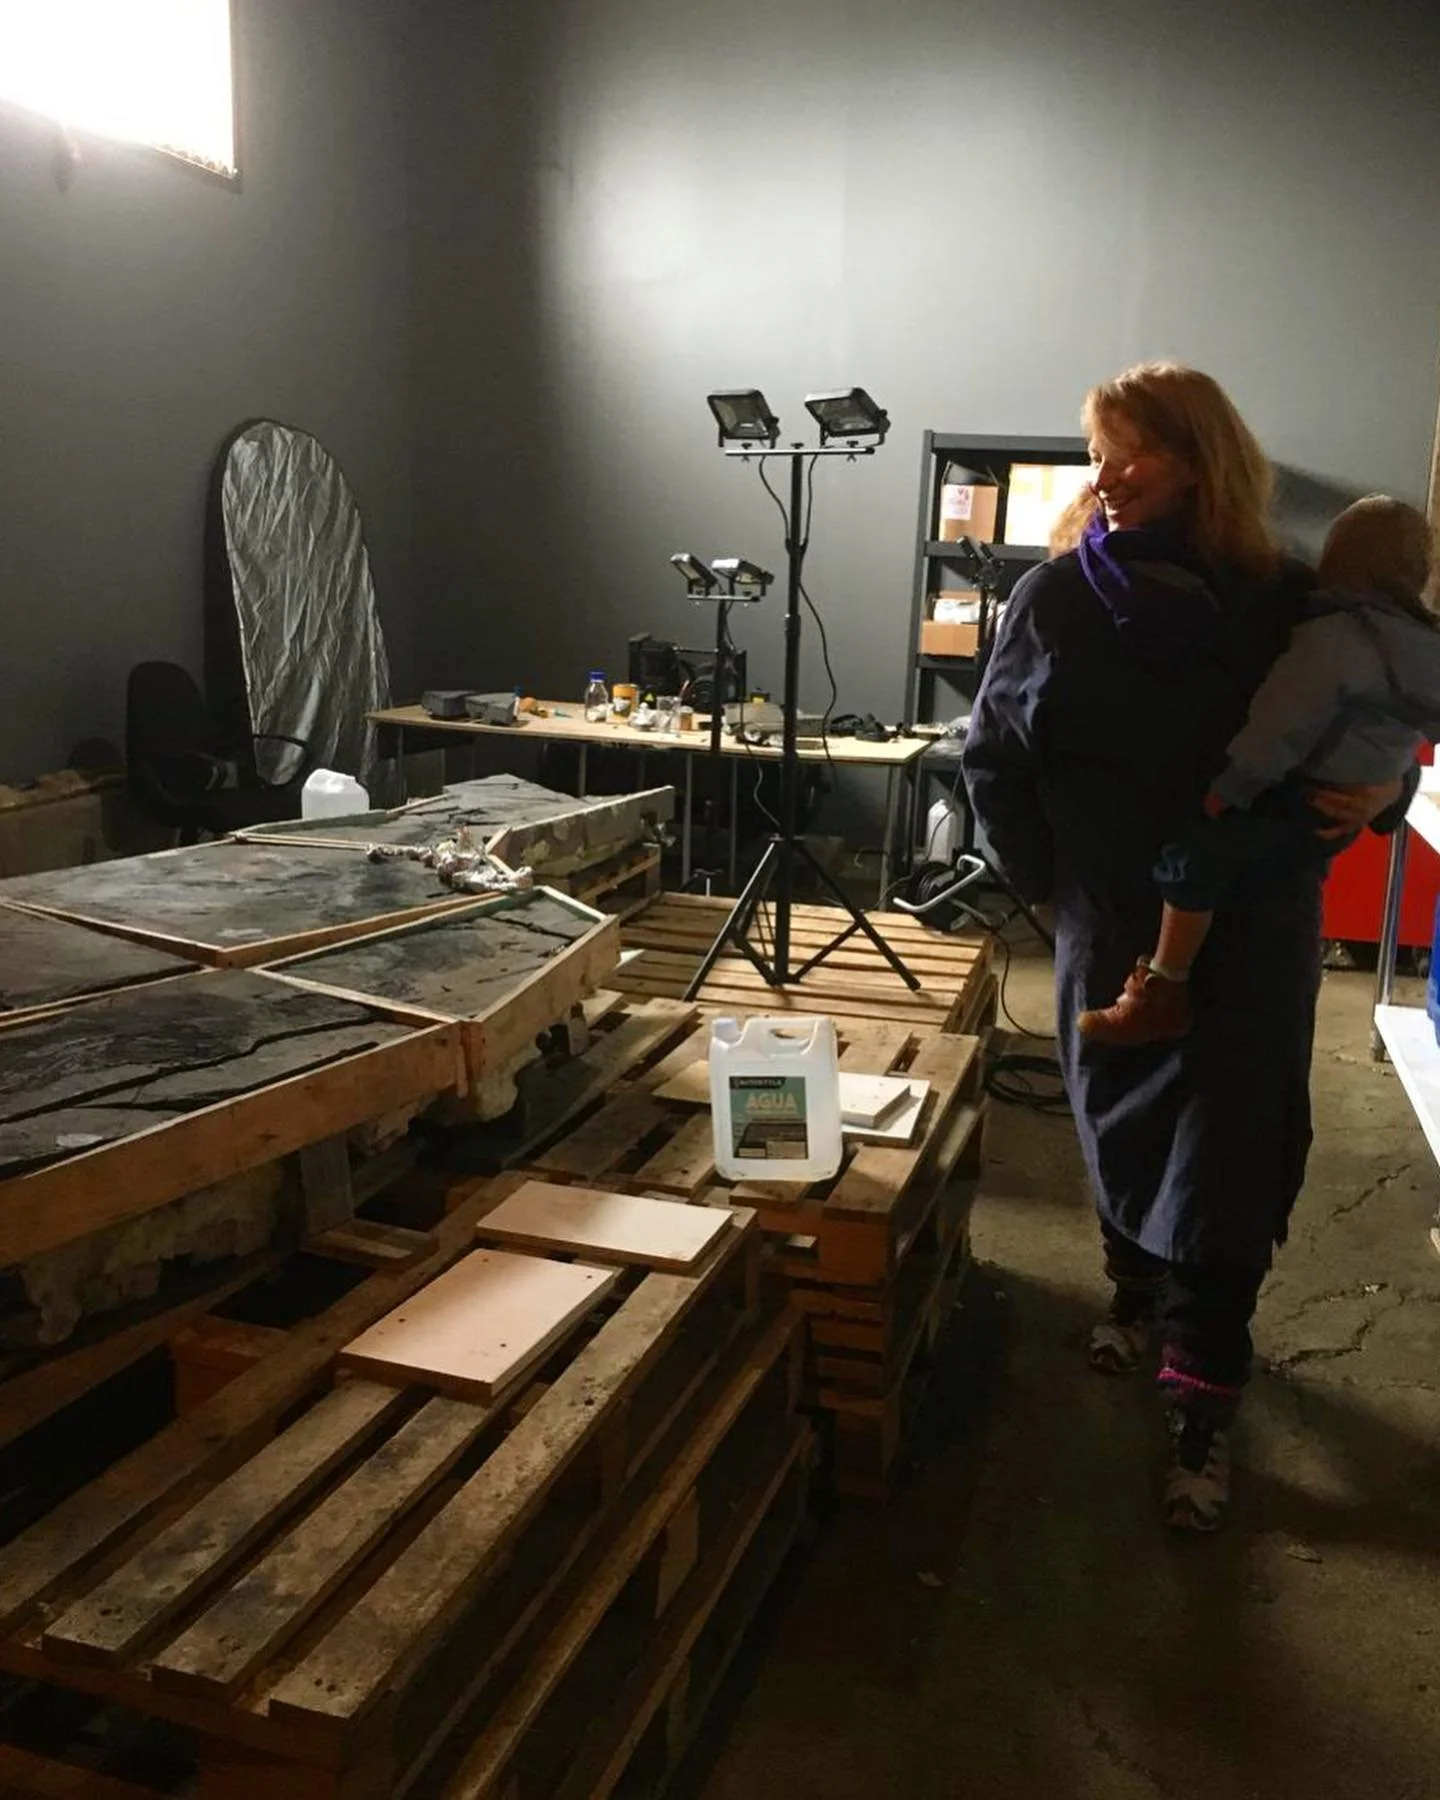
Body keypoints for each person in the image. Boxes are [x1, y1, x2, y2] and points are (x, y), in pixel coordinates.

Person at [962, 362, 1411, 1531]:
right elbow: (995, 763)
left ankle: (1204, 1396)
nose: (1107, 478)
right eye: (1099, 454)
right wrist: (1057, 903)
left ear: (1205, 457)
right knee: (1117, 1120)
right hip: (1110, 925)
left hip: (1253, 934)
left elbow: (1373, 723)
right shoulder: (1057, 600)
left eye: (1133, 452)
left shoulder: (1289, 604)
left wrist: (1382, 801)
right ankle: (1130, 1295)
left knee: (1229, 1159)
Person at [1080, 493, 1440, 1047]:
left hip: (1300, 795)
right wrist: (1394, 780)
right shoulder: (1422, 643)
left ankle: (1161, 989)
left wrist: (1231, 786)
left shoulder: (1337, 635)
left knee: (1191, 861)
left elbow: (1282, 720)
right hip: (1338, 808)